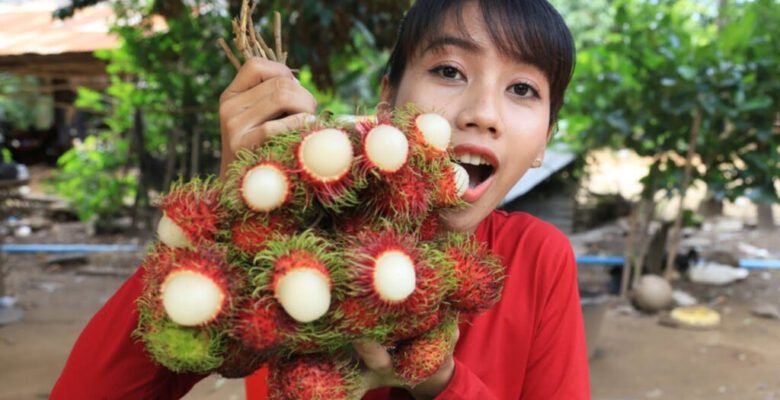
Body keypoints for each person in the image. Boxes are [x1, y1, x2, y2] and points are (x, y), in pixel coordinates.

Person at [51, 0, 589, 398]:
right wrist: (228, 214)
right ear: (387, 101)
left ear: (544, 140)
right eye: (449, 71)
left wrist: (439, 380)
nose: (483, 113)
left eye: (523, 90)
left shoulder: (538, 257)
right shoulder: (289, 232)